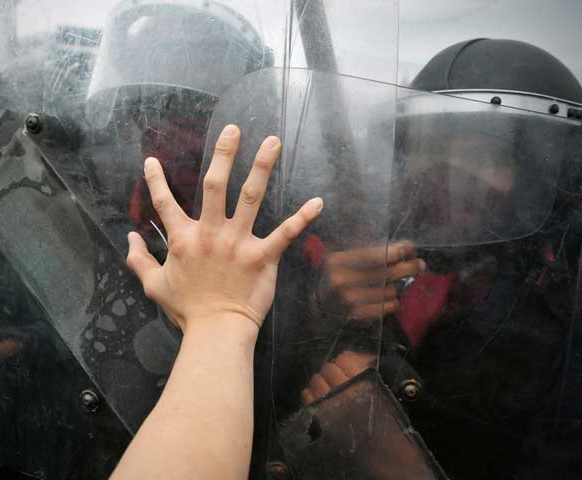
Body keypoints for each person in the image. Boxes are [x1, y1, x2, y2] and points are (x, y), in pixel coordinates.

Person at [298, 38, 582, 479]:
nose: (442, 176)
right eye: (428, 148)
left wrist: (389, 458)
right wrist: (323, 315)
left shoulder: (564, 329)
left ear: (545, 178)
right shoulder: (414, 272)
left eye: (482, 153)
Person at [113, 124, 322, 479]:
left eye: (193, 122)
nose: (168, 144)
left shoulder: (295, 252)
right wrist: (221, 313)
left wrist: (326, 303)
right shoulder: (110, 215)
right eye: (154, 125)